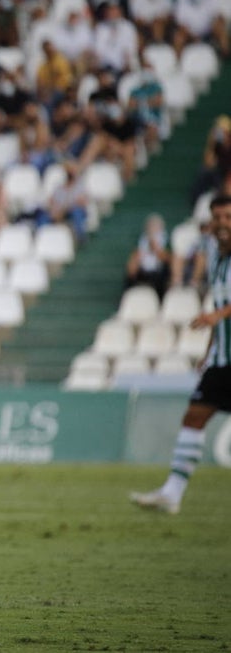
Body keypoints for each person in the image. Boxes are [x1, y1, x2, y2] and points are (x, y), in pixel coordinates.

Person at [131, 194, 231, 515]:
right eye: (218, 218)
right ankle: (172, 493)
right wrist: (209, 348)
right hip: (223, 358)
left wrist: (217, 317)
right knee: (194, 415)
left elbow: (219, 311)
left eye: (229, 217)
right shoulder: (216, 258)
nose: (223, 224)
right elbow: (218, 304)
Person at [124, 213, 171, 300]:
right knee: (131, 270)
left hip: (159, 270)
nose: (152, 229)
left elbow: (168, 258)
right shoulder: (142, 240)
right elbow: (136, 255)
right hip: (143, 269)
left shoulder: (166, 239)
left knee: (162, 277)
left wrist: (155, 249)